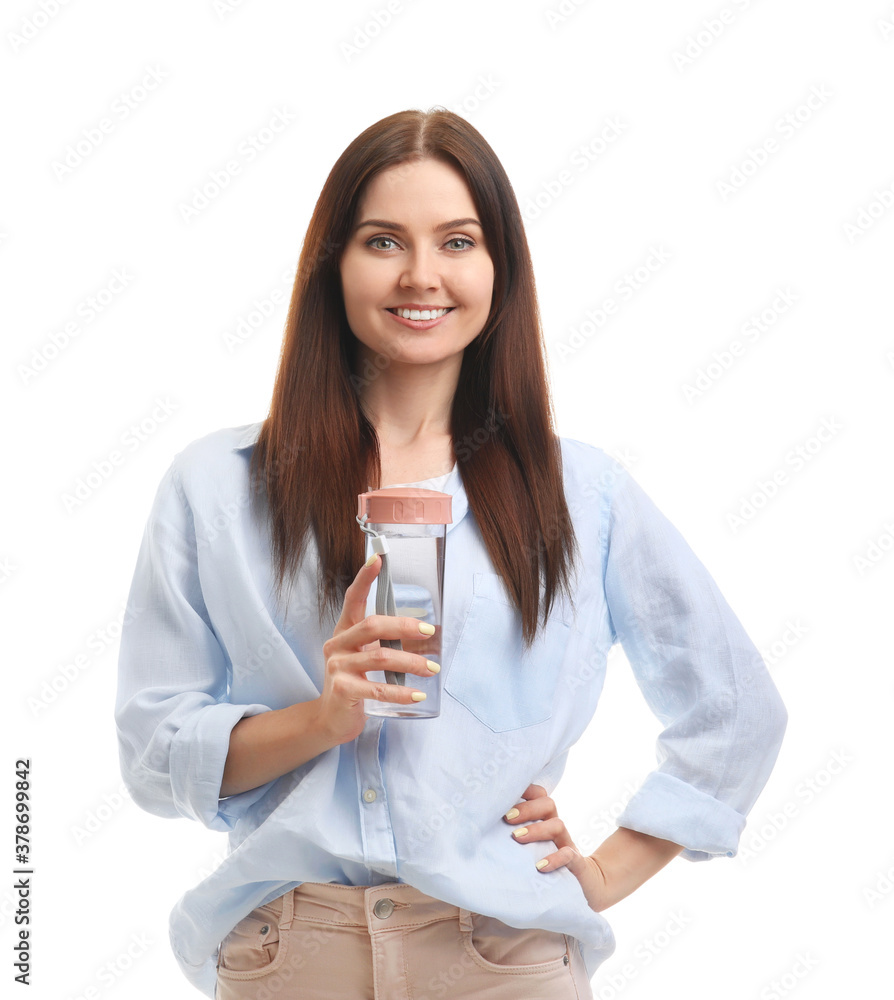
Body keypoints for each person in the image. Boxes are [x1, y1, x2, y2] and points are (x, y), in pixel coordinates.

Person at [114, 108, 788, 1000]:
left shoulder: (583, 495)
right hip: (291, 957)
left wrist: (611, 869)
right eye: (384, 240)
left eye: (458, 241)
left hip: (504, 957)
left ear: (499, 267)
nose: (422, 275)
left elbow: (736, 712)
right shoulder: (217, 485)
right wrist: (325, 719)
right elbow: (155, 754)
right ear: (333, 265)